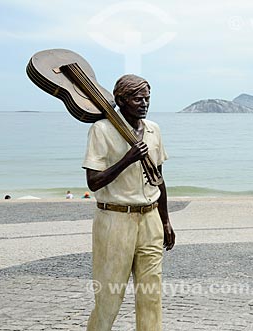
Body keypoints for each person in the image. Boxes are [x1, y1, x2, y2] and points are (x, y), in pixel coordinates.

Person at [83, 74, 175, 331]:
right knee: (109, 295)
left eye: (147, 98)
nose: (144, 103)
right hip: (114, 219)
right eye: (137, 98)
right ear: (121, 101)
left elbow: (159, 178)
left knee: (151, 293)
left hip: (150, 218)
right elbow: (93, 182)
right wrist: (128, 159)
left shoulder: (153, 130)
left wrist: (166, 220)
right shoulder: (101, 130)